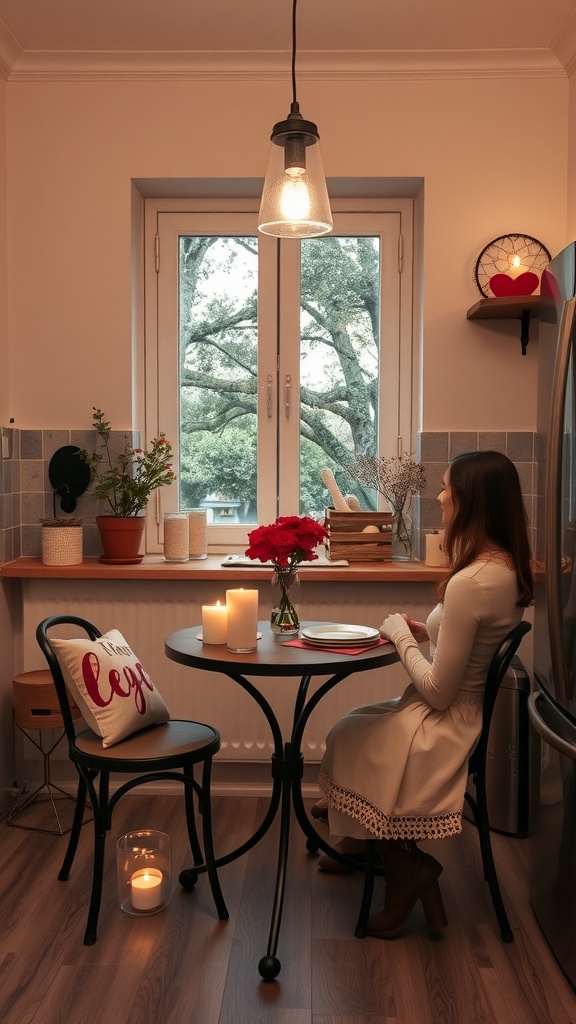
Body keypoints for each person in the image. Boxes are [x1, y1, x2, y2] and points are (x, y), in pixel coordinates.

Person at [314, 450, 533, 940]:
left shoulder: (472, 583)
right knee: (352, 725)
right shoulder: (500, 569)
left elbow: (436, 692)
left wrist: (400, 637)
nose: (439, 497)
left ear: (471, 500)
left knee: (353, 737)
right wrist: (424, 630)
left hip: (445, 722)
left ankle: (407, 868)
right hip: (463, 710)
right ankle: (361, 841)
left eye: (447, 488)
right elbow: (470, 644)